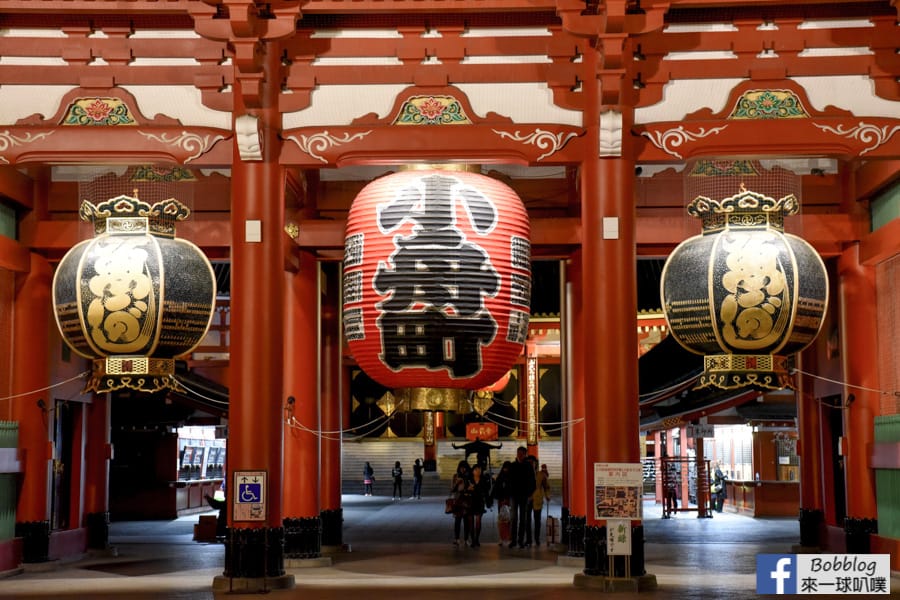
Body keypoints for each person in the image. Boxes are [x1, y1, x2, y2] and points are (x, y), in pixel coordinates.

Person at [507, 446, 536, 548]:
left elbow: (533, 482)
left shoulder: (528, 466)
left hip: (524, 496)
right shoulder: (512, 465)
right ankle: (513, 540)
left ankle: (521, 540)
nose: (519, 455)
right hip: (514, 496)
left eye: (521, 453)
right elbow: (509, 481)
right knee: (514, 518)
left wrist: (530, 494)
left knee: (523, 519)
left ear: (525, 454)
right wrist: (509, 493)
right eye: (518, 453)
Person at [465, 463, 492, 547]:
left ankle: (477, 539)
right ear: (473, 471)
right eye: (476, 469)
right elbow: (464, 490)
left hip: (479, 501)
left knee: (478, 520)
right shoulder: (468, 479)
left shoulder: (484, 479)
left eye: (479, 469)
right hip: (470, 501)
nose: (478, 471)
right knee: (470, 521)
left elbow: (487, 489)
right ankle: (472, 539)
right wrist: (468, 489)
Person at [449, 460, 471, 546]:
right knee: (457, 520)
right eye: (461, 467)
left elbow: (471, 488)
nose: (463, 469)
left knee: (466, 521)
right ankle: (456, 538)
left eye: (464, 467)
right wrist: (456, 483)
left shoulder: (469, 477)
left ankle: (466, 539)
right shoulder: (455, 476)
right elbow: (451, 490)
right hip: (458, 500)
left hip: (466, 500)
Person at [492, 461, 512, 545]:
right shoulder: (500, 477)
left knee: (509, 520)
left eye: (507, 468)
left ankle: (509, 537)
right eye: (505, 467)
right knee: (502, 520)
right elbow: (496, 489)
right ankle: (502, 538)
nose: (506, 469)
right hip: (501, 501)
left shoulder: (512, 477)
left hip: (509, 501)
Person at [531, 462, 551, 545]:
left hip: (537, 499)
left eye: (533, 464)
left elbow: (546, 487)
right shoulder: (524, 473)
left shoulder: (541, 475)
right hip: (526, 499)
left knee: (537, 520)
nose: (532, 465)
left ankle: (537, 539)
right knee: (526, 521)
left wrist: (547, 495)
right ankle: (527, 540)